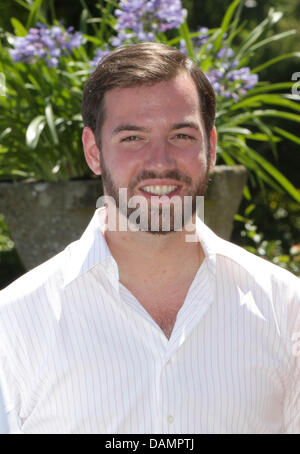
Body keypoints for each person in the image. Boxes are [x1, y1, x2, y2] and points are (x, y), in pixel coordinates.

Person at [0, 42, 299, 434]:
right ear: (93, 151)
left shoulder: (286, 308)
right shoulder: (14, 323)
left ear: (211, 148)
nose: (160, 161)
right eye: (132, 138)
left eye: (181, 135)